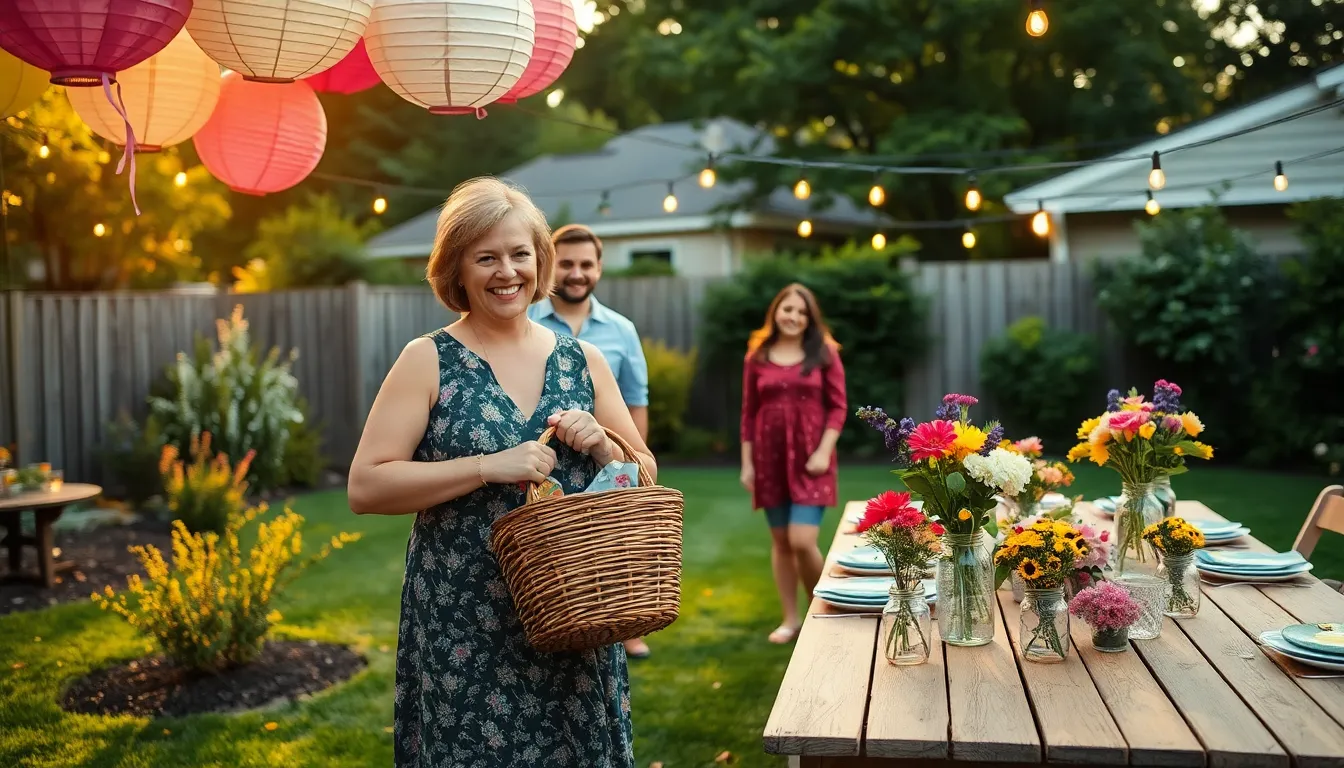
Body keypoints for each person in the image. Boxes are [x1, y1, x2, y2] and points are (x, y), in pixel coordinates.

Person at [347, 177, 655, 767]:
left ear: (540, 260)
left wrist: (605, 450)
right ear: (456, 269)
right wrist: (486, 466)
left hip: (574, 611)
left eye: (519, 254)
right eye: (485, 257)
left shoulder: (581, 359)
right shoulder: (427, 359)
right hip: (465, 617)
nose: (506, 271)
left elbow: (643, 474)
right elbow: (366, 484)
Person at [528, 223, 654, 660]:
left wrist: (631, 464)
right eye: (567, 263)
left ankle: (625, 624)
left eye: (586, 264)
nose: (577, 273)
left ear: (599, 269)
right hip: (540, 471)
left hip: (606, 461)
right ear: (550, 265)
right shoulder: (525, 321)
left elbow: (636, 402)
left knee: (613, 555)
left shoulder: (621, 330)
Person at [739, 283, 847, 645]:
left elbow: (838, 407)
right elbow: (748, 414)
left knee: (803, 539)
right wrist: (747, 464)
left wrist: (823, 451)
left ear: (810, 318)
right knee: (781, 541)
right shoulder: (757, 356)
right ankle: (790, 619)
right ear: (776, 312)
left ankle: (826, 607)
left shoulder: (825, 353)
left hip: (811, 459)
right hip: (768, 459)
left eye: (801, 312)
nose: (794, 317)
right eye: (788, 309)